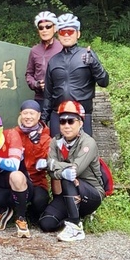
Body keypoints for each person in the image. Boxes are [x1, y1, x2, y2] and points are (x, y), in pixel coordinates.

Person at [39, 100, 104, 242]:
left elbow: (75, 170)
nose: (66, 125)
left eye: (71, 121)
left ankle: (75, 226)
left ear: (80, 123)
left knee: (68, 177)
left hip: (91, 192)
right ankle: (73, 219)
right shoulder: (56, 142)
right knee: (46, 223)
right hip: (67, 194)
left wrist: (50, 164)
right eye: (62, 121)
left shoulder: (88, 143)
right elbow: (51, 173)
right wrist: (55, 168)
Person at [41, 13, 109, 137]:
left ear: (78, 34)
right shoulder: (53, 60)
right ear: (58, 35)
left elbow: (104, 82)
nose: (66, 35)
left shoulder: (87, 55)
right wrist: (44, 120)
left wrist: (94, 64)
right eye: (62, 32)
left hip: (82, 115)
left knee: (83, 154)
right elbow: (48, 94)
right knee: (57, 154)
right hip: (58, 114)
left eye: (70, 31)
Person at [10, 100, 52, 222]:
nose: (28, 117)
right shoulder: (14, 134)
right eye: (25, 113)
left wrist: (36, 143)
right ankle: (10, 214)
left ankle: (29, 214)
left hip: (36, 182)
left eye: (32, 113)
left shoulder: (46, 137)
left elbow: (46, 160)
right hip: (16, 180)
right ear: (20, 115)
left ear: (38, 116)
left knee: (40, 203)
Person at [25, 11, 61, 103]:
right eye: (41, 28)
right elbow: (29, 74)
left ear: (55, 28)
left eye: (48, 26)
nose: (44, 30)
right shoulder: (34, 50)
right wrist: (36, 84)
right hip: (40, 98)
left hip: (59, 97)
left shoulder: (62, 48)